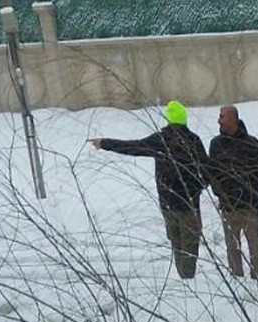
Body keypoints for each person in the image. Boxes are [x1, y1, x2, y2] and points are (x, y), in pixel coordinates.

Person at [89, 101, 210, 279]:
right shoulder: (193, 140)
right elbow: (205, 170)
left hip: (167, 203)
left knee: (176, 242)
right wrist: (198, 188)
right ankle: (188, 277)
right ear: (184, 119)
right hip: (190, 204)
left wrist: (105, 143)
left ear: (168, 119)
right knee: (190, 244)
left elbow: (132, 147)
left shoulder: (160, 140)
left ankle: (184, 276)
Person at [207, 105, 258, 279]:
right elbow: (213, 173)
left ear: (233, 119)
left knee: (255, 247)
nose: (219, 120)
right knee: (232, 248)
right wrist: (221, 194)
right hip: (228, 206)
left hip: (250, 205)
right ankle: (237, 280)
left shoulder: (251, 143)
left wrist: (253, 192)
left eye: (222, 116)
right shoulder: (216, 144)